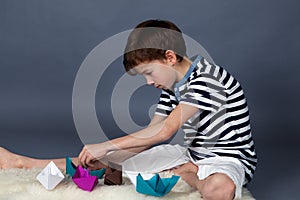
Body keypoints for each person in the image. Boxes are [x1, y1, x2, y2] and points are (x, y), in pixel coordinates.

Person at [0, 19, 257, 200]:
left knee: (218, 191)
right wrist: (107, 153)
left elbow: (166, 130)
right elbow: (151, 133)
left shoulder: (208, 79)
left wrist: (106, 144)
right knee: (108, 166)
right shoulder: (172, 86)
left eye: (148, 72)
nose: (148, 82)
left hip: (228, 158)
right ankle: (26, 164)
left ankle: (190, 177)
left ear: (169, 57)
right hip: (188, 154)